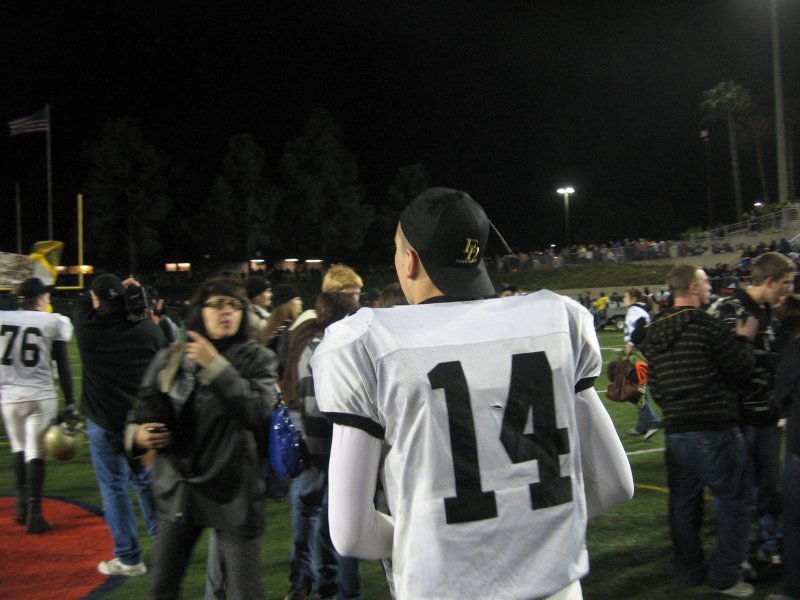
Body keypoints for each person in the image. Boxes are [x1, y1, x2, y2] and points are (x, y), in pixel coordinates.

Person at [311, 187, 634, 599]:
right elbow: (615, 484)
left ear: (409, 260)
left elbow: (351, 534)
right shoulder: (556, 319)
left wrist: (438, 536)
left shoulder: (367, 343)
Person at [128, 276, 278, 600]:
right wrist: (139, 435)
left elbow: (256, 412)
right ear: (200, 311)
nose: (227, 312)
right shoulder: (172, 356)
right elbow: (141, 409)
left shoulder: (257, 358)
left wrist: (214, 365)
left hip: (233, 491)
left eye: (235, 305)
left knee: (245, 592)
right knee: (162, 588)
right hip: (179, 489)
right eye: (218, 304)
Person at [638, 264, 758, 596]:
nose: (709, 290)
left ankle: (689, 572)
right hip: (714, 427)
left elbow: (657, 386)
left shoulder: (654, 332)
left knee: (683, 504)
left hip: (677, 431)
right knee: (735, 500)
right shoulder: (708, 325)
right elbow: (740, 369)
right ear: (692, 288)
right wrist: (745, 340)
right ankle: (725, 576)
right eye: (705, 284)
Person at [73, 274, 167, 576]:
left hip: (103, 423)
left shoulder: (89, 329)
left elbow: (81, 302)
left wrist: (112, 294)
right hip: (139, 424)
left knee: (114, 489)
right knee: (143, 482)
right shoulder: (149, 331)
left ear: (97, 300)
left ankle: (129, 558)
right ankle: (165, 544)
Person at [711, 251, 795, 566]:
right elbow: (727, 365)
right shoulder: (729, 309)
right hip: (738, 418)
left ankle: (769, 545)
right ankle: (739, 553)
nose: (788, 289)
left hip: (768, 417)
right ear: (770, 281)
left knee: (771, 489)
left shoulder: (770, 312)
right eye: (785, 283)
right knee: (737, 492)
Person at [282, 292, 362, 600]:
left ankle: (313, 583)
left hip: (317, 446)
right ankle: (337, 589)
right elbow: (317, 408)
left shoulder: (310, 341)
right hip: (331, 447)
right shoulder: (332, 346)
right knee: (337, 521)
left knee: (315, 517)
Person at [0, 277, 74, 533]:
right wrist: (71, 402)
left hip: (9, 397)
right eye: (46, 296)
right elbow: (63, 364)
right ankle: (35, 514)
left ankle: (21, 506)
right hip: (40, 395)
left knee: (19, 448)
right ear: (39, 299)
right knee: (36, 452)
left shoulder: (2, 318)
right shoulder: (53, 321)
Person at [622, 287, 662, 440]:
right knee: (639, 389)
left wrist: (631, 344)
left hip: (639, 352)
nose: (624, 299)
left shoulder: (634, 310)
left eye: (626, 296)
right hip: (644, 352)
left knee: (637, 390)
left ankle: (652, 421)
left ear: (633, 298)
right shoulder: (639, 309)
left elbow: (641, 328)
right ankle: (644, 424)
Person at [246, 276, 272, 343]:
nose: (271, 295)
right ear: (257, 296)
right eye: (267, 291)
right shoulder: (252, 319)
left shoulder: (260, 314)